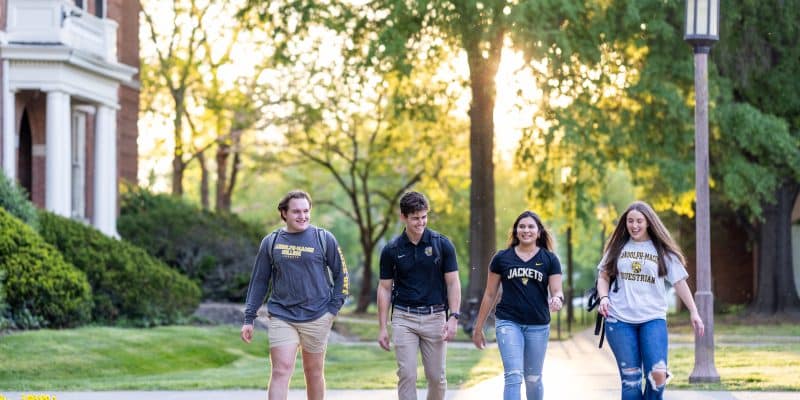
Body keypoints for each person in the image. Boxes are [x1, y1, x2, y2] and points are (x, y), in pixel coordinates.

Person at [241, 190, 349, 400]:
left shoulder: (324, 238)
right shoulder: (271, 242)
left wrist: (332, 311)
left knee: (313, 373)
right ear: (284, 213)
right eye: (296, 211)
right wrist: (249, 317)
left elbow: (342, 276)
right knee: (280, 371)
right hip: (282, 316)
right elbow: (259, 281)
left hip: (318, 315)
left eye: (306, 211)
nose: (303, 216)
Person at [596, 200, 704, 400]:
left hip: (653, 318)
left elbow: (679, 282)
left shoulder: (661, 250)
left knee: (658, 376)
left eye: (639, 221)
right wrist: (603, 298)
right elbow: (603, 276)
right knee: (631, 381)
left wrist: (694, 311)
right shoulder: (617, 247)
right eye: (630, 221)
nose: (634, 225)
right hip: (619, 320)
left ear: (648, 222)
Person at [377, 191, 461, 400]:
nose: (421, 222)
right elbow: (384, 288)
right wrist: (382, 327)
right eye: (415, 218)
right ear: (403, 217)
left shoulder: (442, 244)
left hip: (436, 317)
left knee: (436, 378)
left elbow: (453, 282)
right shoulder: (391, 250)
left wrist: (454, 316)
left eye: (424, 217)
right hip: (403, 318)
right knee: (407, 375)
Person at [471, 210, 564, 400]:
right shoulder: (502, 258)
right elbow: (490, 294)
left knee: (533, 379)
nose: (526, 230)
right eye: (521, 226)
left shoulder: (550, 259)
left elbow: (557, 291)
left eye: (531, 226)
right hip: (508, 322)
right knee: (513, 376)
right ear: (515, 231)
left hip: (538, 325)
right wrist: (478, 327)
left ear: (539, 232)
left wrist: (557, 299)